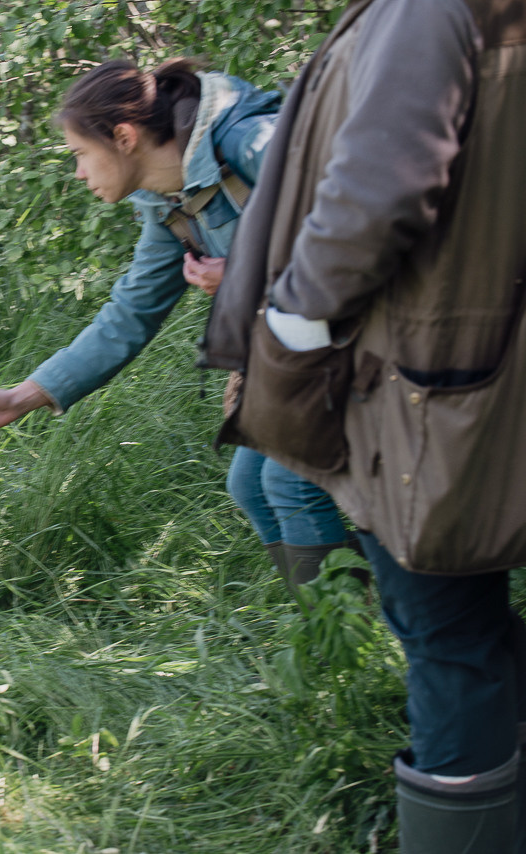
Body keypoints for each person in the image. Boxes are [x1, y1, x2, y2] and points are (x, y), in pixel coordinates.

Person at [198, 0, 526, 849]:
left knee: (447, 635)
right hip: (453, 369)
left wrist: (292, 322)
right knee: (460, 631)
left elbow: (380, 184)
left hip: (421, 386)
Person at [0, 58, 354, 586]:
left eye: (80, 154)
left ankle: (352, 646)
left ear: (123, 136)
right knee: (251, 485)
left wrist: (243, 277)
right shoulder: (170, 202)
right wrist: (20, 397)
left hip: (376, 331)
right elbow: (129, 315)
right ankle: (352, 626)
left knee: (289, 480)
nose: (77, 172)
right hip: (306, 347)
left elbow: (357, 226)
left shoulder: (251, 142)